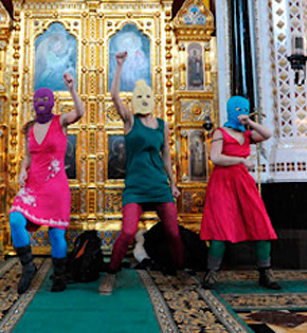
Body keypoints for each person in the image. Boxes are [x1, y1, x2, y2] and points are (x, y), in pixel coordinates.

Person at [98, 51, 183, 295]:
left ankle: (180, 270)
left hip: (158, 185)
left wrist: (173, 183)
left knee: (173, 232)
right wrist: (119, 65)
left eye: (147, 96)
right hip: (135, 186)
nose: (144, 100)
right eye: (140, 97)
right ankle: (111, 274)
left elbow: (165, 156)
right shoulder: (129, 120)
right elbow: (114, 96)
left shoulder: (162, 125)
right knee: (127, 232)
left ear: (153, 99)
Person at [8, 73, 84, 294]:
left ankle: (59, 275)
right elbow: (28, 157)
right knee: (15, 219)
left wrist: (72, 89)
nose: (41, 103)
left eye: (45, 99)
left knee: (56, 234)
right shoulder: (29, 129)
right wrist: (22, 170)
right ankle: (28, 267)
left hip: (56, 188)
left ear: (51, 102)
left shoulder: (60, 121)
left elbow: (80, 112)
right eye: (37, 100)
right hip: (33, 186)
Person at [200, 96, 280, 290]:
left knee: (260, 223)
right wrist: (241, 160)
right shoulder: (220, 132)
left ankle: (265, 271)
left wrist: (250, 122)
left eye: (245, 109)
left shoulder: (247, 134)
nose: (241, 113)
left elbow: (268, 134)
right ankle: (211, 272)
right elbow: (215, 157)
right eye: (238, 110)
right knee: (220, 227)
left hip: (243, 183)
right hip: (222, 183)